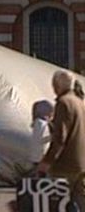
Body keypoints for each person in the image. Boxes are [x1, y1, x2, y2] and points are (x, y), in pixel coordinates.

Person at [38, 70, 85, 210]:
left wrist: (46, 162)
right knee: (81, 204)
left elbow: (60, 138)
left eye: (53, 84)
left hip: (65, 165)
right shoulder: (80, 102)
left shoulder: (63, 103)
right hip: (81, 164)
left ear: (57, 85)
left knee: (56, 203)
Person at [29, 100, 53, 166]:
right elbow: (41, 139)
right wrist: (53, 137)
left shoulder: (39, 122)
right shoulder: (40, 123)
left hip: (38, 156)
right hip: (40, 156)